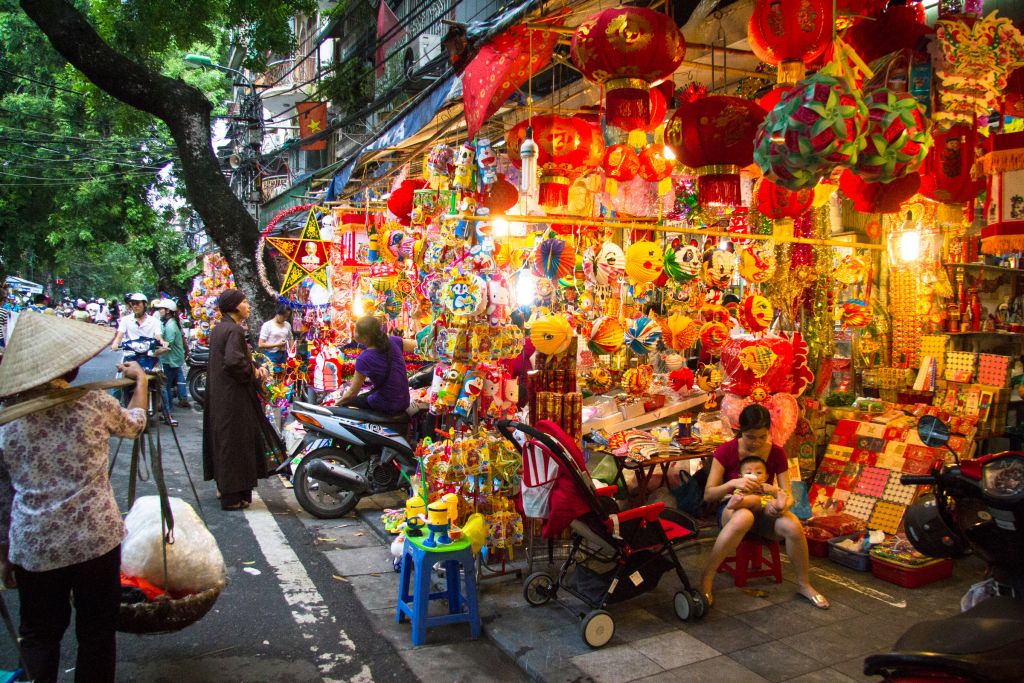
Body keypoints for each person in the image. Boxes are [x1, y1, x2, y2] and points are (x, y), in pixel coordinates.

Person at [0, 311, 149, 683]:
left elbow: (5, 497)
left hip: (35, 545)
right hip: (93, 542)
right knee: (97, 633)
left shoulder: (8, 419)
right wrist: (141, 382)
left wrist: (5, 552)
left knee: (38, 635)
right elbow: (135, 424)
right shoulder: (92, 404)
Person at [700, 404, 828, 609]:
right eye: (750, 436)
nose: (756, 442)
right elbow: (709, 494)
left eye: (762, 436)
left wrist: (780, 507)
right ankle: (706, 578)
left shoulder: (776, 453)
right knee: (744, 517)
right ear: (740, 431)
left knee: (793, 525)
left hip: (764, 509)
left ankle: (804, 584)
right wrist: (733, 484)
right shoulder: (726, 451)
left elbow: (788, 494)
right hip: (732, 511)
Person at [202, 289, 284, 510]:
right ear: (235, 307)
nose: (248, 306)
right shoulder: (234, 331)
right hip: (233, 398)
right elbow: (234, 362)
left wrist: (252, 366)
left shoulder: (220, 328)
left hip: (223, 395)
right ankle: (232, 496)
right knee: (236, 443)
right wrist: (255, 372)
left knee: (226, 441)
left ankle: (231, 490)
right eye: (245, 302)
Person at [337, 315, 415, 413]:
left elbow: (352, 393)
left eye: (355, 330)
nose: (353, 332)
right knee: (365, 396)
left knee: (348, 404)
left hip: (387, 404)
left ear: (365, 338)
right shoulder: (393, 340)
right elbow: (417, 345)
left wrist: (336, 405)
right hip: (404, 401)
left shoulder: (364, 358)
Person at [155, 299, 189, 418]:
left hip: (171, 359)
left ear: (168, 310)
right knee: (168, 385)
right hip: (172, 359)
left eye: (161, 309)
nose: (159, 311)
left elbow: (167, 345)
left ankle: (167, 412)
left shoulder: (170, 326)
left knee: (166, 386)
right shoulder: (170, 323)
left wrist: (155, 353)